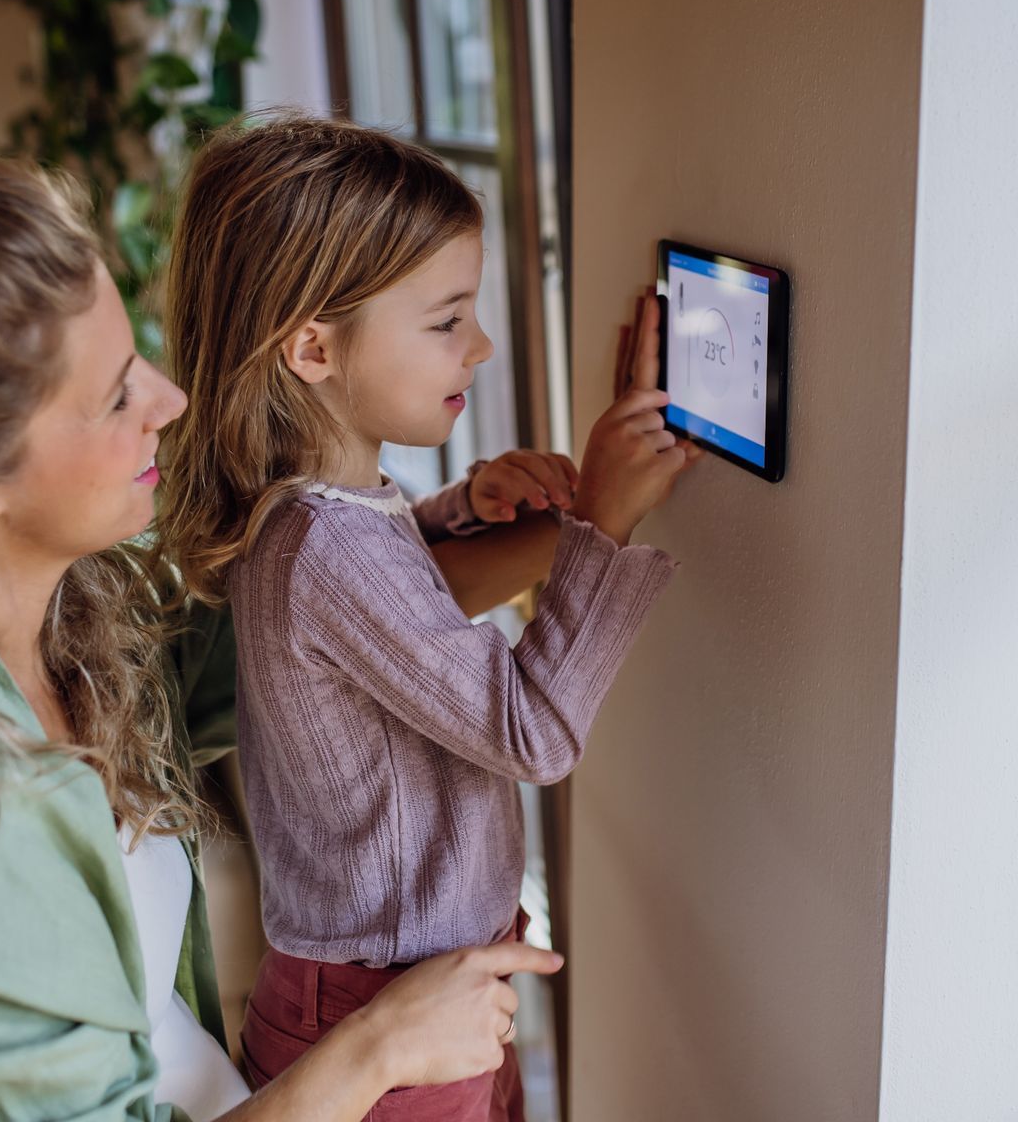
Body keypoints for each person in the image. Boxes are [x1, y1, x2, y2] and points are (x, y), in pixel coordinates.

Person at [0, 157, 561, 1121]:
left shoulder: (72, 628)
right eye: (118, 393)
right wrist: (377, 1046)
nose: (168, 400)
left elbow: (362, 617)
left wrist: (574, 520)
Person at [158, 117, 693, 1120]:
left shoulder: (322, 505)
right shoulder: (325, 542)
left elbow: (396, 595)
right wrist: (604, 528)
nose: (480, 345)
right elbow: (531, 730)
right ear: (312, 345)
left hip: (415, 990)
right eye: (447, 319)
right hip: (383, 1011)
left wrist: (471, 508)